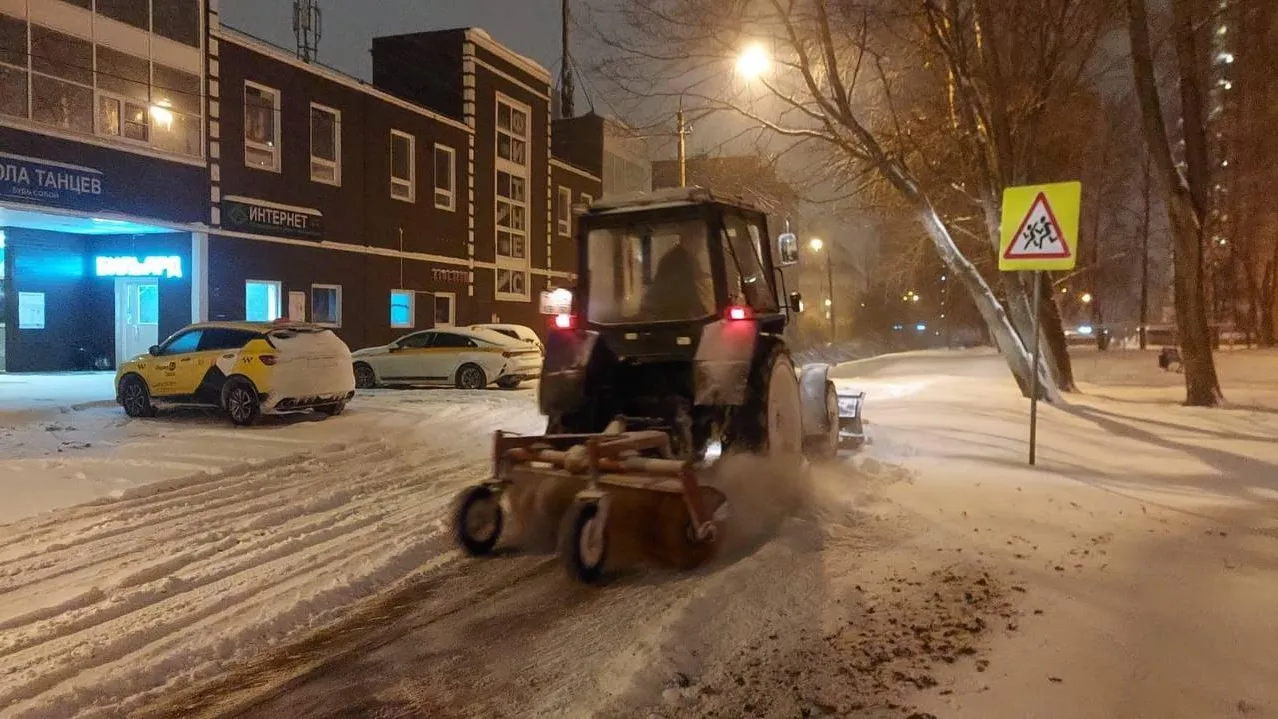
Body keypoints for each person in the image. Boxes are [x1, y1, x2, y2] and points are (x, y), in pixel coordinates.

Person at [639, 231, 710, 320]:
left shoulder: (687, 257)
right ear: (689, 240)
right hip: (668, 313)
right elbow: (688, 291)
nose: (701, 248)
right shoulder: (678, 260)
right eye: (699, 243)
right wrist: (706, 316)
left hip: (671, 310)